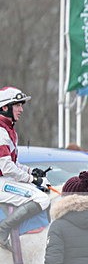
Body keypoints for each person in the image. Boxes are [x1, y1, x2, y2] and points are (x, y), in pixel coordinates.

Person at [0, 86, 50, 249]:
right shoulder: (1, 131)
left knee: (44, 189)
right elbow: (6, 168)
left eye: (22, 105)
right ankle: (3, 229)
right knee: (41, 198)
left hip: (4, 180)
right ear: (5, 107)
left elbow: (13, 163)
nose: (21, 109)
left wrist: (30, 171)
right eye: (18, 105)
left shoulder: (8, 130)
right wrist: (31, 179)